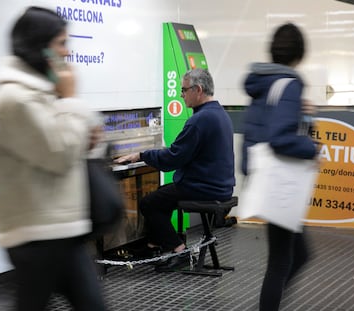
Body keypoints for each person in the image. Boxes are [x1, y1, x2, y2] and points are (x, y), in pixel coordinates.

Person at [0, 7, 106, 311]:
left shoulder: (38, 95)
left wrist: (83, 137)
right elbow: (59, 154)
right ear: (39, 46)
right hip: (38, 235)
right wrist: (71, 100)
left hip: (58, 229)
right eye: (61, 43)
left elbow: (62, 146)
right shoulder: (15, 100)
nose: (67, 52)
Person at [115, 68, 235, 272]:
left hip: (204, 187)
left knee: (149, 203)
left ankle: (179, 250)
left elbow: (173, 158)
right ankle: (154, 245)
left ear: (198, 90)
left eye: (184, 90)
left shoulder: (200, 120)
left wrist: (141, 155)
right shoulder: (219, 113)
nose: (181, 95)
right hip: (219, 186)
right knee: (163, 196)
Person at [241, 23, 319, 310]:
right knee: (281, 262)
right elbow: (279, 137)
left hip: (269, 179)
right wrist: (311, 149)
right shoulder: (290, 83)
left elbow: (258, 129)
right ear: (299, 54)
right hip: (282, 182)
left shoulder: (263, 82)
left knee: (299, 255)